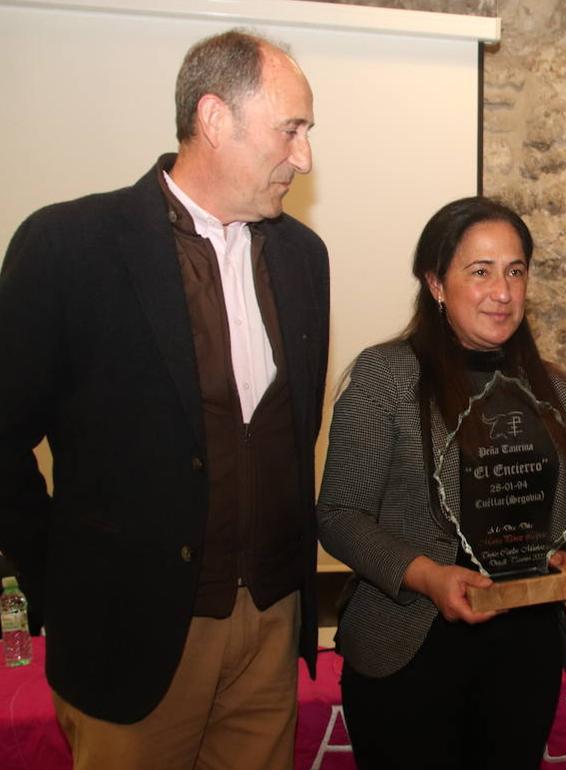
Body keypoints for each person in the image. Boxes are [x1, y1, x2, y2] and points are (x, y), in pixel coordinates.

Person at [0, 29, 327, 770]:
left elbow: (285, 434)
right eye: (291, 129)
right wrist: (59, 581)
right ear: (215, 119)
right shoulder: (71, 247)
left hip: (269, 625)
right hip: (130, 634)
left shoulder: (304, 258)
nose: (303, 156)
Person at [317, 196, 566, 770]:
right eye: (480, 272)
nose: (503, 291)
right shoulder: (387, 375)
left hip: (525, 652)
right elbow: (339, 515)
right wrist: (428, 577)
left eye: (515, 271)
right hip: (409, 647)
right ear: (436, 283)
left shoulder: (555, 391)